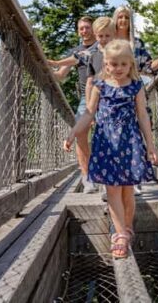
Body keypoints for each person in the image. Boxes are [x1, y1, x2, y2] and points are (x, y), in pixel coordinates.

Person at [63, 39, 158, 259]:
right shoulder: (100, 86)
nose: (118, 68)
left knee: (127, 190)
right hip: (106, 143)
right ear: (106, 64)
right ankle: (121, 233)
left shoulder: (136, 86)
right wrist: (73, 132)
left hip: (129, 142)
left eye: (123, 64)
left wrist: (150, 145)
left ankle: (127, 227)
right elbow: (89, 113)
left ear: (130, 64)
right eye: (113, 64)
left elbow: (143, 116)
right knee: (113, 190)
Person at [112, 5, 158, 194]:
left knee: (138, 134)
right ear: (115, 19)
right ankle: (117, 180)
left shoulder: (136, 44)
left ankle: (134, 177)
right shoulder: (109, 43)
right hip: (115, 94)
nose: (123, 20)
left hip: (136, 92)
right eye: (120, 17)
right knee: (116, 136)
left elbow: (148, 67)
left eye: (126, 17)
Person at [48, 17, 113, 193]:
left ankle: (107, 177)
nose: (84, 31)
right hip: (87, 96)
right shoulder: (76, 51)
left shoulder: (101, 44)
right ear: (78, 31)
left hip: (106, 93)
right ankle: (87, 178)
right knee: (80, 132)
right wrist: (43, 66)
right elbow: (60, 75)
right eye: (81, 28)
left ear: (94, 30)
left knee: (106, 133)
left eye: (87, 28)